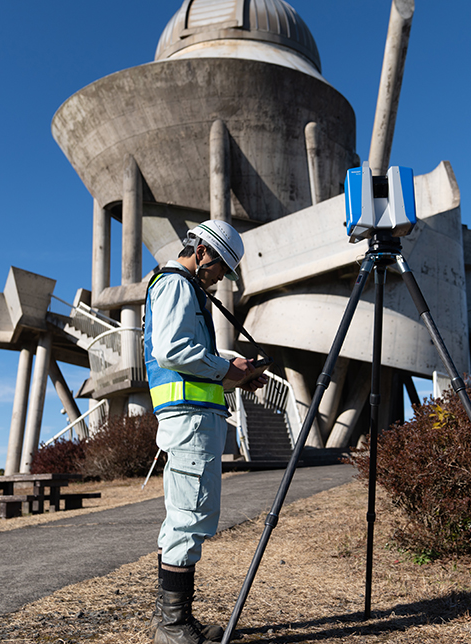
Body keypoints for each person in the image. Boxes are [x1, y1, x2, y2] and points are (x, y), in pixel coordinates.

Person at [143, 219, 267, 644]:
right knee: (189, 518)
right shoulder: (176, 285)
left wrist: (233, 376)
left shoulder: (184, 288)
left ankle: (171, 621)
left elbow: (189, 358)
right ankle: (173, 627)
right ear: (202, 252)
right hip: (189, 418)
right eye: (221, 269)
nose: (220, 278)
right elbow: (173, 350)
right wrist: (226, 369)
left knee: (184, 518)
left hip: (192, 415)